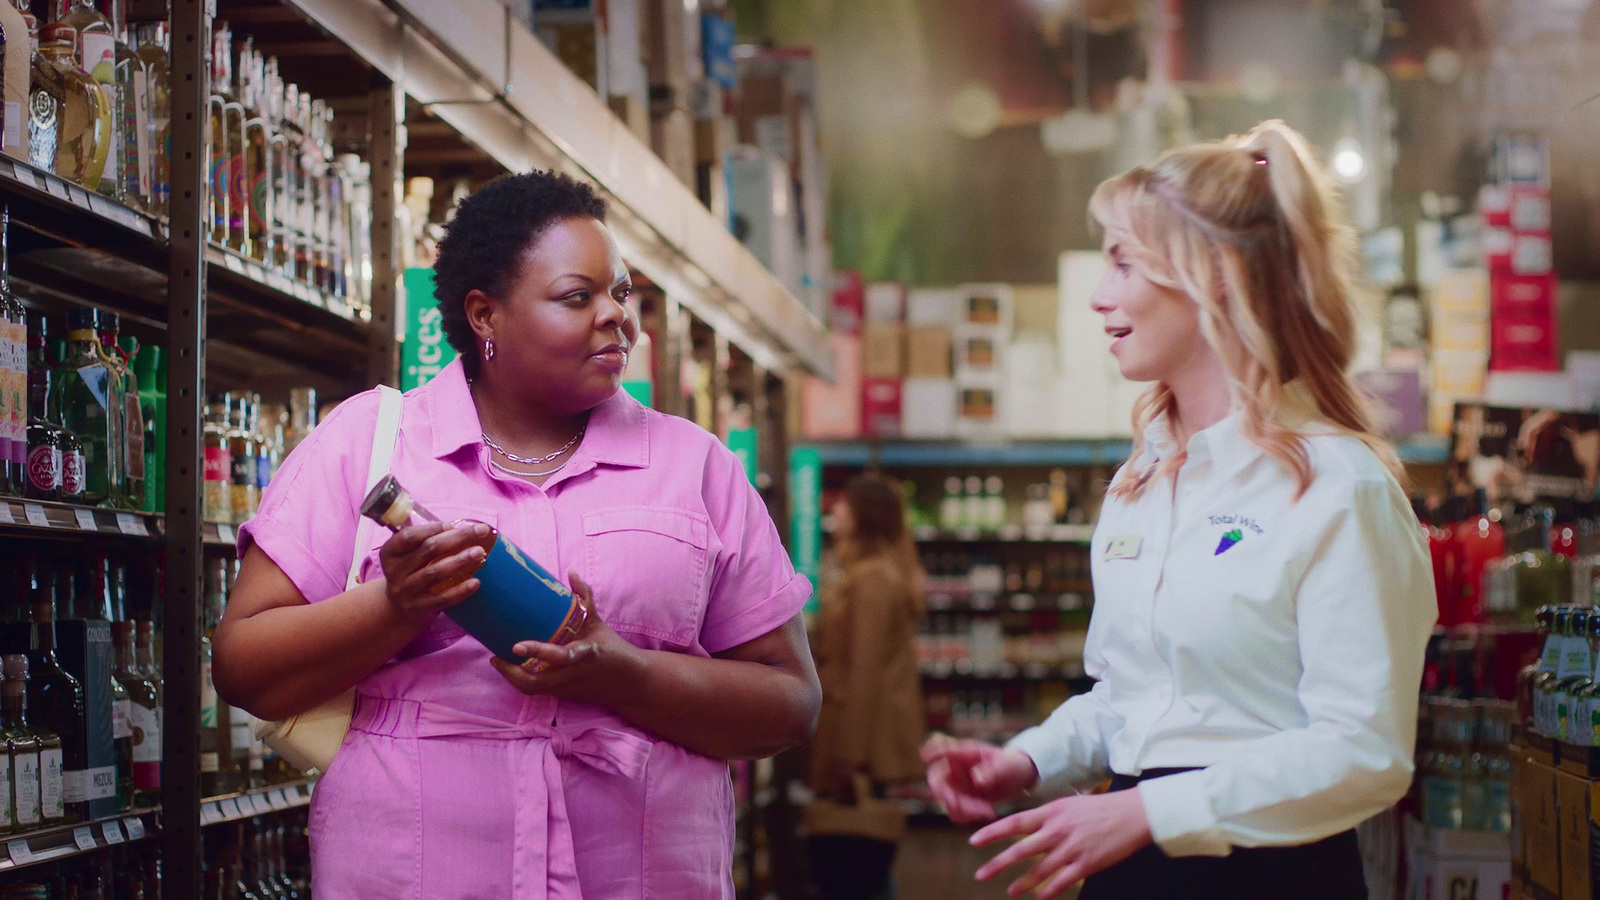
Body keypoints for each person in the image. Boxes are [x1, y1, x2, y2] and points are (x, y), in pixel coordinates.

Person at [212, 170, 821, 898]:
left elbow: (790, 704)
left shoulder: (696, 469)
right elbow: (243, 667)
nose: (616, 317)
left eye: (622, 294)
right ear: (485, 315)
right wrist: (397, 605)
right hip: (414, 874)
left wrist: (630, 674)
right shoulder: (370, 442)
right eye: (578, 296)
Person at [921, 120, 1436, 900]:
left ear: (1214, 273)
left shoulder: (1341, 486)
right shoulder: (1143, 481)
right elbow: (1132, 701)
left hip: (1271, 874)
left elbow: (1364, 750)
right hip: (1134, 867)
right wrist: (1025, 760)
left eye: (1123, 261)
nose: (1099, 296)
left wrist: (1153, 810)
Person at [807, 474, 927, 899]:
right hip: (866, 739)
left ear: (864, 518)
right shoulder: (875, 572)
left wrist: (849, 758)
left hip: (860, 742)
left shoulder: (873, 580)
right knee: (866, 857)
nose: (835, 512)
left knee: (859, 861)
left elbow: (865, 672)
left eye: (845, 506)